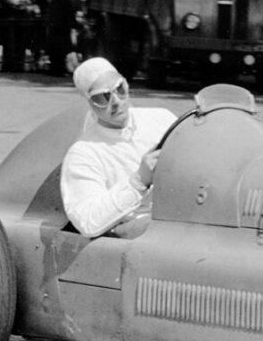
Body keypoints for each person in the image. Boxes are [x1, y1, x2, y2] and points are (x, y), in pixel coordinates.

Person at [60, 57, 177, 238]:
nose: (116, 101)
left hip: (181, 219)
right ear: (90, 102)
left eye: (120, 89)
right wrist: (138, 181)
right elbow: (87, 221)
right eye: (102, 97)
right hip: (133, 237)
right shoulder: (84, 153)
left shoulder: (162, 119)